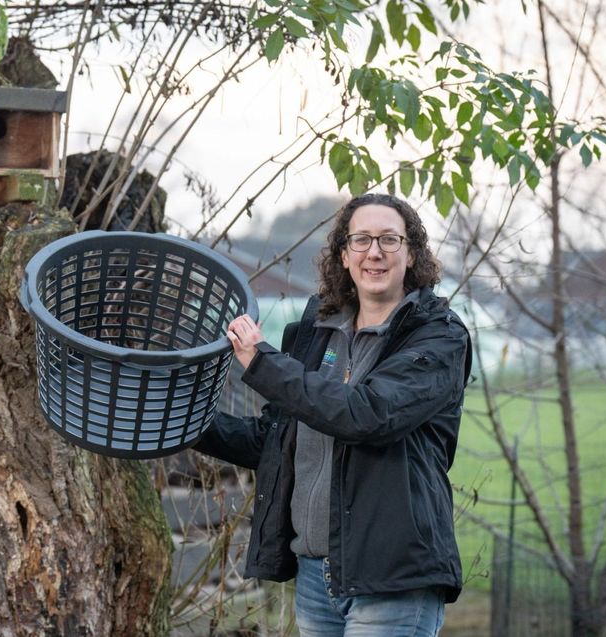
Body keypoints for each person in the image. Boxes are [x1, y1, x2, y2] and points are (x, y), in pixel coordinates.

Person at [194, 193, 472, 637]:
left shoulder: (436, 338)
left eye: (389, 239)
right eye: (361, 240)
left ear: (412, 253)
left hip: (392, 579)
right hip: (316, 577)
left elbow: (368, 414)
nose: (374, 252)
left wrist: (262, 362)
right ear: (343, 255)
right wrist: (184, 421)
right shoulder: (316, 334)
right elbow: (273, 440)